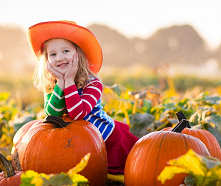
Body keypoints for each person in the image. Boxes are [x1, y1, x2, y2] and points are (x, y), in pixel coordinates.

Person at [27, 20, 139, 175]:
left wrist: (69, 81)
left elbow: (77, 114)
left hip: (106, 141)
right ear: (46, 61)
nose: (59, 58)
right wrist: (61, 82)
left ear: (78, 54)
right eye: (53, 54)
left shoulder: (93, 84)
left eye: (65, 51)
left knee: (130, 172)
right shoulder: (53, 86)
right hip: (77, 144)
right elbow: (52, 115)